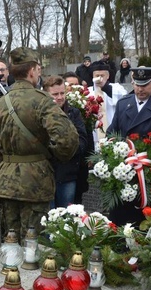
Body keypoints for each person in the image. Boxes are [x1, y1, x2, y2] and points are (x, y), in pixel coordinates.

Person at [0, 47, 79, 241]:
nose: (39, 73)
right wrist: (52, 157)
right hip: (36, 181)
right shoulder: (43, 102)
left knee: (10, 241)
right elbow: (67, 140)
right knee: (34, 242)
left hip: (6, 183)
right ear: (32, 71)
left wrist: (2, 174)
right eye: (38, 69)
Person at [106, 67, 151, 226]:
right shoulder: (123, 104)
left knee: (145, 222)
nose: (140, 89)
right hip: (124, 172)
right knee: (121, 220)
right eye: (137, 84)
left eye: (145, 84)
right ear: (132, 82)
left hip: (149, 176)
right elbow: (112, 133)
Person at [43, 75, 88, 207]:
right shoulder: (40, 114)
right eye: (55, 94)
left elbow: (83, 140)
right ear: (46, 94)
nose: (60, 97)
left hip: (68, 174)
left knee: (67, 217)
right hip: (47, 175)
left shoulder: (74, 113)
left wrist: (67, 149)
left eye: (62, 93)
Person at [63, 71, 93, 204]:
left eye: (76, 85)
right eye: (69, 85)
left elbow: (88, 134)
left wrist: (90, 156)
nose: (73, 88)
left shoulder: (86, 107)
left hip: (80, 162)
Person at [88, 60, 127, 142]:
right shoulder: (88, 92)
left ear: (108, 76)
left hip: (112, 129)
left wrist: (105, 87)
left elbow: (124, 99)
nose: (99, 78)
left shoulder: (116, 88)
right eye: (97, 76)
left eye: (102, 75)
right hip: (94, 133)